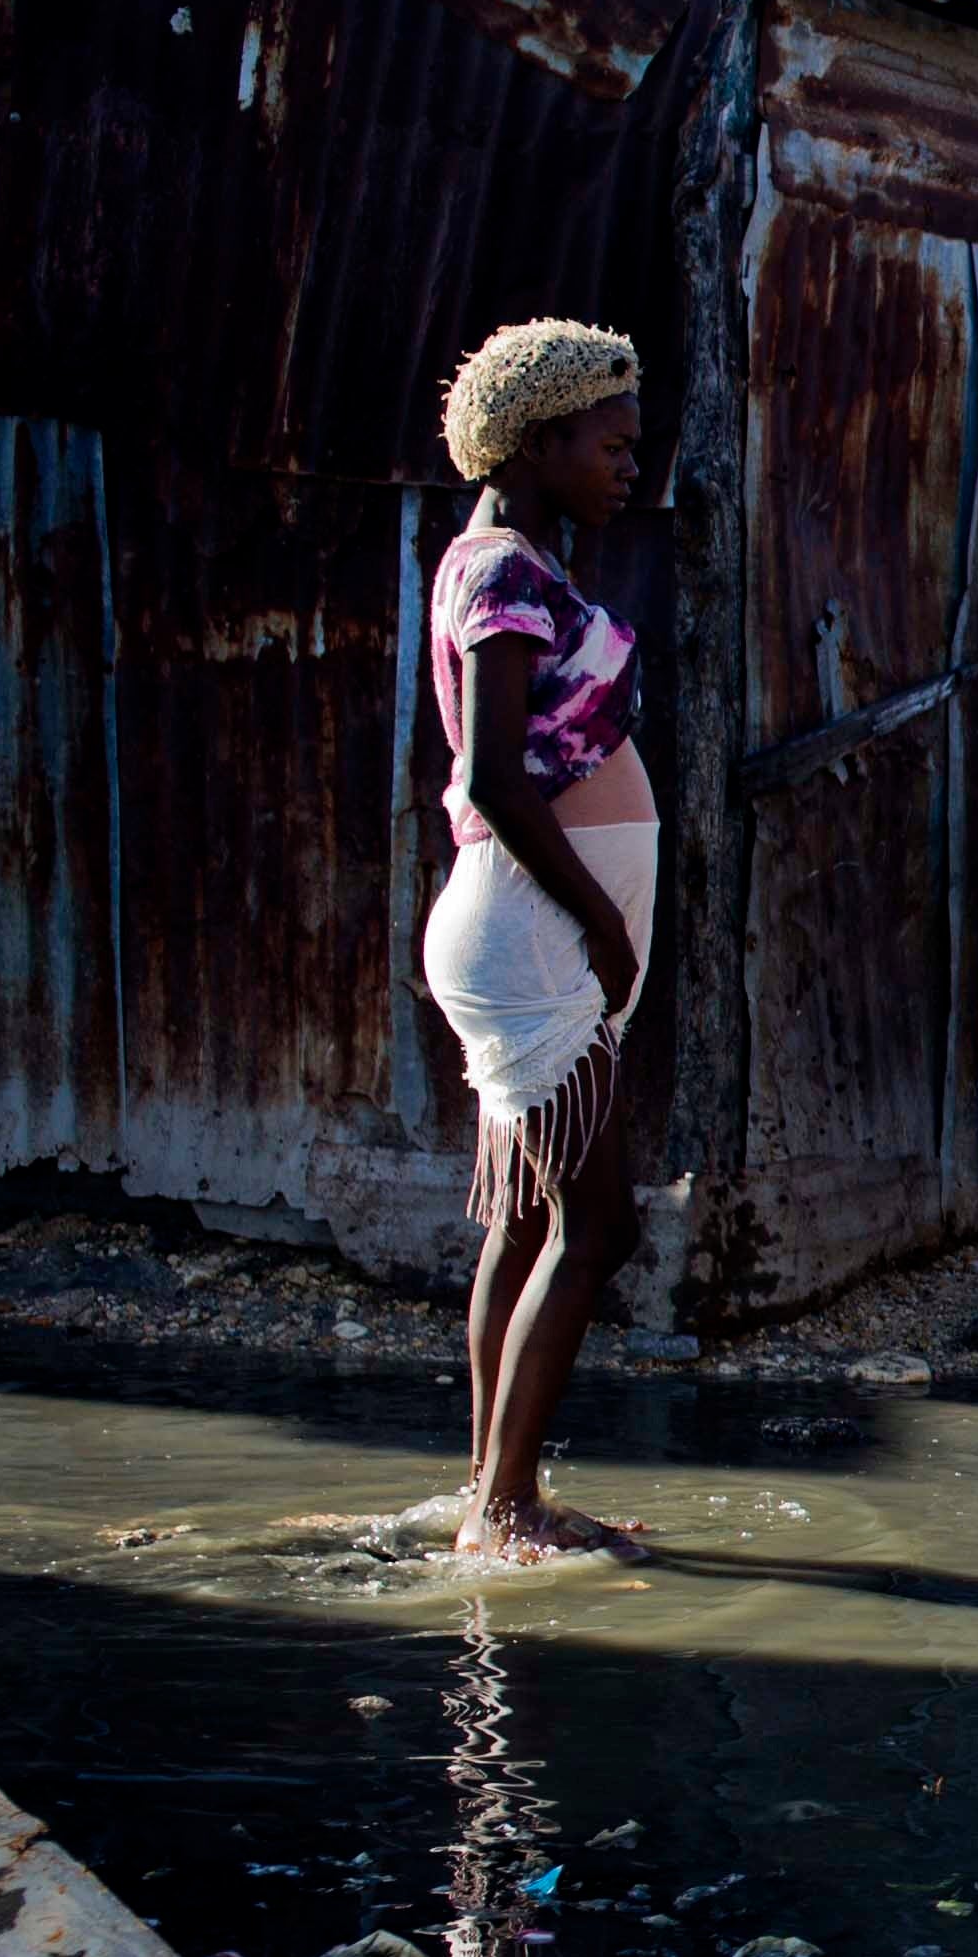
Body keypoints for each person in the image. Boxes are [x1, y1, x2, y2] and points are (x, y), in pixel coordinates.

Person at [418, 319, 661, 1566]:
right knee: (598, 1227)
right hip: (532, 931)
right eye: (612, 443)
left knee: (525, 1222)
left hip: (528, 930)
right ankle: (501, 1510)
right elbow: (496, 778)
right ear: (545, 436)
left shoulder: (494, 560)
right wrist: (603, 920)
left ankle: (494, 1489)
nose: (631, 464)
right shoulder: (505, 569)